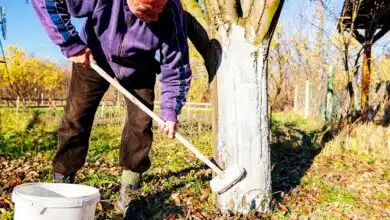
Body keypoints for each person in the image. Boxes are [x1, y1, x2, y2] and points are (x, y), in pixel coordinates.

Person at [31, 0, 191, 218]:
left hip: (139, 67)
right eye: (147, 10)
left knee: (140, 125)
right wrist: (70, 44)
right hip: (92, 56)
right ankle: (63, 180)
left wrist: (171, 111)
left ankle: (130, 190)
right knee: (75, 118)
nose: (155, 18)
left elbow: (176, 65)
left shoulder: (171, 11)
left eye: (159, 9)